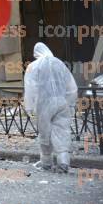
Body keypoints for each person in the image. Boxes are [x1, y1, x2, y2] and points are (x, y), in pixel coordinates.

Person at [24, 42, 78, 173]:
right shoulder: (59, 63)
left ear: (36, 53)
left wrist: (29, 106)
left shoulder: (33, 66)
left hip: (43, 105)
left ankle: (46, 163)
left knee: (45, 133)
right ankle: (64, 161)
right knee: (62, 131)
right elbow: (71, 86)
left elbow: (30, 87)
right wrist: (71, 103)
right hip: (61, 102)